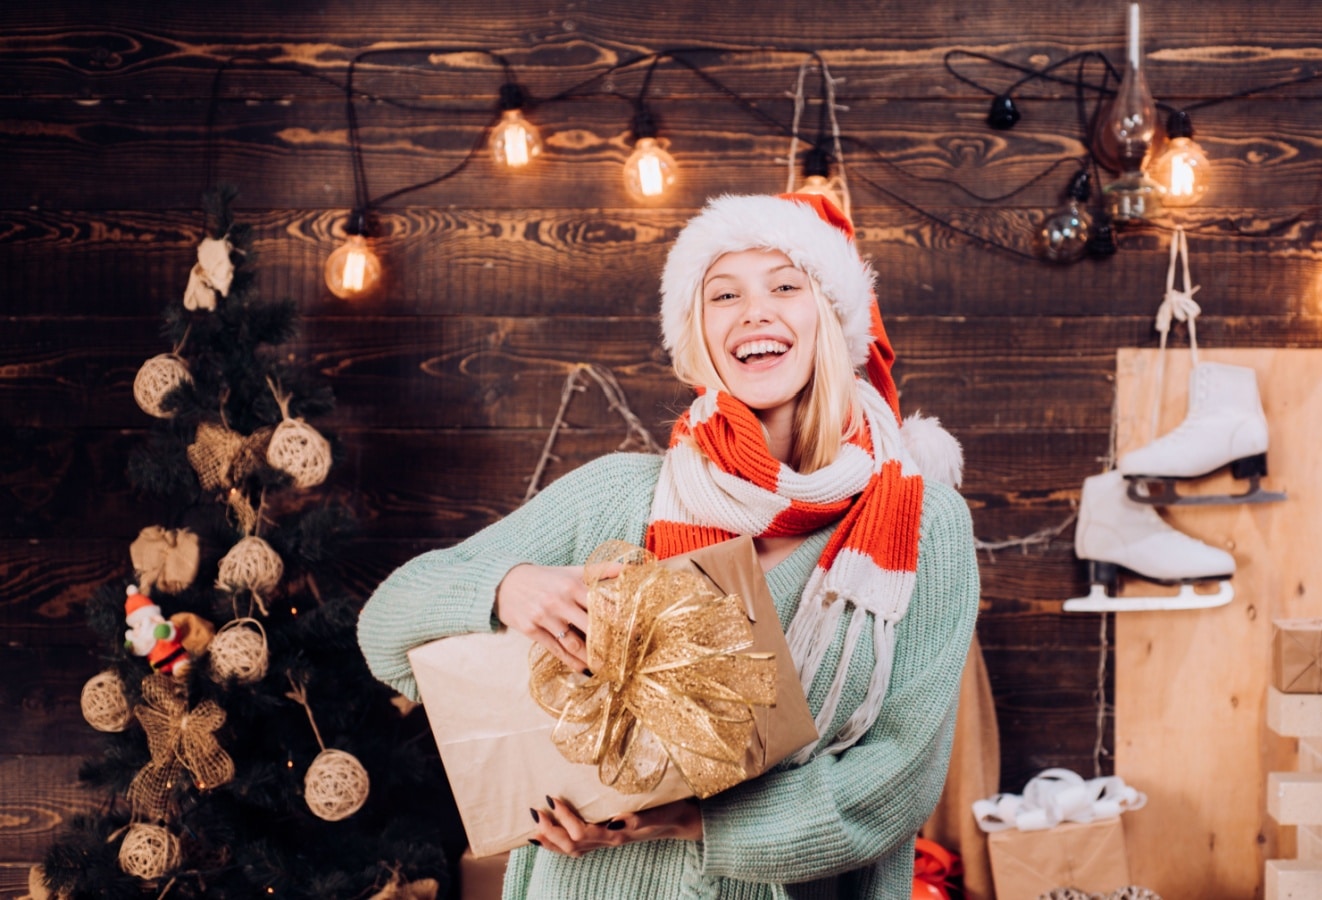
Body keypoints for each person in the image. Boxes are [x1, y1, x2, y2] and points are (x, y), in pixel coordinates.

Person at [358, 192, 981, 899]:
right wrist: (510, 588)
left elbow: (898, 779)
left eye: (785, 285)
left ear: (831, 319)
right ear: (698, 333)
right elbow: (386, 625)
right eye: (724, 294)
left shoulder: (922, 522)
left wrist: (695, 822)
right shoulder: (618, 494)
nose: (755, 311)